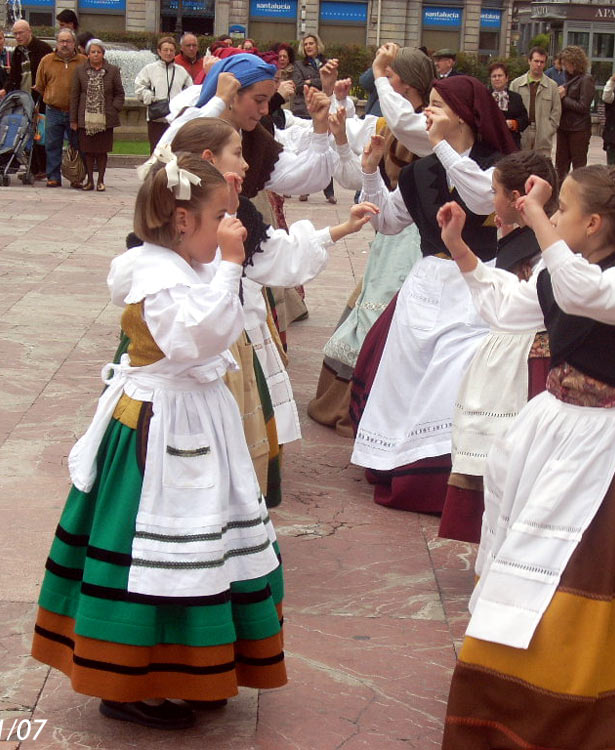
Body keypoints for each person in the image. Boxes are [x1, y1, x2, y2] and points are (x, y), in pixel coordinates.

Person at [31, 148, 289, 731]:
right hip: (159, 426)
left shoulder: (179, 264)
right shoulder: (156, 275)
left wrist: (221, 246)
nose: (232, 225)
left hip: (194, 416)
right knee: (155, 548)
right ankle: (127, 679)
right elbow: (197, 337)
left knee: (204, 543)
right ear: (180, 221)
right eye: (219, 214)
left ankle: (199, 667)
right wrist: (228, 262)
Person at [440, 164, 615, 750]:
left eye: (565, 210)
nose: (553, 218)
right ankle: (502, 697)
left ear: (592, 223)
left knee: (575, 567)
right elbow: (513, 310)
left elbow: (581, 293)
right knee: (522, 554)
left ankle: (576, 695)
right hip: (552, 430)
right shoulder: (561, 268)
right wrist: (460, 250)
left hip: (605, 448)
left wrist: (535, 215)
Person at [160, 53, 343, 498]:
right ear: (231, 92)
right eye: (257, 101)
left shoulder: (252, 147)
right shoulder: (189, 140)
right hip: (187, 315)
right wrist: (217, 104)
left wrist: (320, 129)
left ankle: (231, 484)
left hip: (230, 301)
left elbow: (302, 178)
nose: (263, 112)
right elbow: (168, 152)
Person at [350, 75, 518, 513]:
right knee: (406, 377)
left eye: (438, 106)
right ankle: (394, 462)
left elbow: (483, 199)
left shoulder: (501, 165)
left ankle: (445, 477)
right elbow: (388, 221)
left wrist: (440, 146)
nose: (426, 112)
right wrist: (370, 172)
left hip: (476, 284)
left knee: (455, 377)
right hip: (427, 285)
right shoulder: (420, 171)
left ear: (465, 115)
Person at [308, 44, 437, 435]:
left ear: (408, 83)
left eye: (390, 80)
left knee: (397, 312)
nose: (384, 88)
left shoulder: (430, 124)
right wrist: (350, 149)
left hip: (423, 235)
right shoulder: (386, 123)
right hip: (393, 228)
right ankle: (356, 403)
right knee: (372, 306)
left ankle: (391, 411)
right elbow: (357, 180)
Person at [438, 151, 558, 544]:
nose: (491, 201)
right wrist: (456, 244)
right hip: (518, 354)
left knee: (521, 468)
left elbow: (508, 309)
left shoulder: (544, 251)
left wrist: (458, 248)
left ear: (518, 197)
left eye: (495, 192)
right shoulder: (523, 240)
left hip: (529, 367)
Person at [34, 28, 87, 188]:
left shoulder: (83, 61)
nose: (65, 44)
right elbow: (40, 85)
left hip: (75, 112)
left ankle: (76, 176)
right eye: (61, 41)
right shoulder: (47, 60)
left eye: (68, 41)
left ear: (74, 43)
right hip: (53, 110)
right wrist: (52, 97)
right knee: (52, 145)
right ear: (56, 43)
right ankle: (53, 177)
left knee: (77, 145)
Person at [70, 38, 124, 191]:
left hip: (105, 118)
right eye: (92, 52)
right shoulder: (80, 71)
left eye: (98, 52)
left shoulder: (112, 70)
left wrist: (114, 108)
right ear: (87, 54)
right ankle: (90, 180)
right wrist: (73, 119)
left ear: (103, 54)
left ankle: (101, 180)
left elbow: (119, 93)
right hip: (86, 118)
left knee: (102, 151)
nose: (95, 55)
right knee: (88, 151)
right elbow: (74, 96)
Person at [3, 20, 52, 179]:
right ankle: (32, 167)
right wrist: (7, 90)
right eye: (15, 33)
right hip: (23, 98)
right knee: (26, 132)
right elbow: (14, 76)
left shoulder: (43, 49)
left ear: (29, 31)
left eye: (20, 33)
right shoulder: (18, 51)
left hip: (40, 98)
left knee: (40, 133)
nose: (17, 36)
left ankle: (42, 168)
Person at [291, 32, 336, 204]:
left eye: (312, 43)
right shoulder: (298, 65)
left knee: (326, 150)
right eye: (306, 44)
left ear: (318, 45)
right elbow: (298, 86)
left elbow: (329, 83)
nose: (309, 46)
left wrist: (311, 81)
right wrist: (316, 81)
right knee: (305, 152)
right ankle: (304, 189)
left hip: (324, 110)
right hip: (304, 111)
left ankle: (329, 191)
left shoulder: (326, 63)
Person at [135, 36, 192, 150]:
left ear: (175, 52)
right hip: (156, 118)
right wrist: (149, 96)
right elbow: (139, 87)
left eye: (171, 50)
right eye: (165, 50)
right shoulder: (149, 69)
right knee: (156, 152)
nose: (168, 53)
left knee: (175, 152)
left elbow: (190, 91)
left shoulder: (181, 71)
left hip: (176, 119)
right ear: (159, 51)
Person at [508, 47, 561, 157]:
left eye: (542, 62)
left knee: (542, 168)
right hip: (522, 132)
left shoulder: (552, 86)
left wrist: (549, 130)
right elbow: (510, 110)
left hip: (542, 133)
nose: (539, 65)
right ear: (529, 61)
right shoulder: (516, 84)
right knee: (521, 167)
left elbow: (556, 111)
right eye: (536, 61)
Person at [555, 45, 595, 182]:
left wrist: (564, 98)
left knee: (578, 167)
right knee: (560, 167)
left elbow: (584, 107)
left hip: (579, 129)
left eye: (567, 63)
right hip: (563, 127)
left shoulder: (586, 79)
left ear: (575, 63)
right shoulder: (566, 77)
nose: (565, 67)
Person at [488, 62, 528, 146]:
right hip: (490, 143)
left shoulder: (516, 97)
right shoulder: (484, 97)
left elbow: (524, 119)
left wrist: (514, 123)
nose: (497, 78)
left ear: (506, 78)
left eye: (500, 75)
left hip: (511, 142)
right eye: (494, 76)